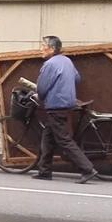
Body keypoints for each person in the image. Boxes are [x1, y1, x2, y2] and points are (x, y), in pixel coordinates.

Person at [33, 35, 98, 184]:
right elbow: (77, 78)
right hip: (66, 104)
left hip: (56, 105)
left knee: (64, 140)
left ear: (52, 49)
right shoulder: (67, 61)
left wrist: (40, 97)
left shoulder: (50, 64)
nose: (41, 48)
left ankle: (87, 169)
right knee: (48, 137)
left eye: (43, 45)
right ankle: (44, 171)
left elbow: (42, 88)